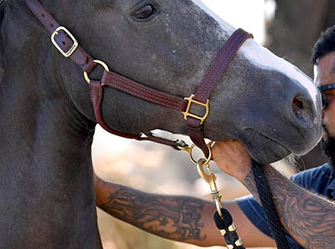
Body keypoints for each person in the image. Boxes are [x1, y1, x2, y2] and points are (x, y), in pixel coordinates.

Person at [94, 26, 335, 248]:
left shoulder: (303, 197)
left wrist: (245, 171)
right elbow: (200, 222)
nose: (317, 109)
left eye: (326, 96)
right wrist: (100, 190)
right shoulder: (320, 184)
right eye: (316, 97)